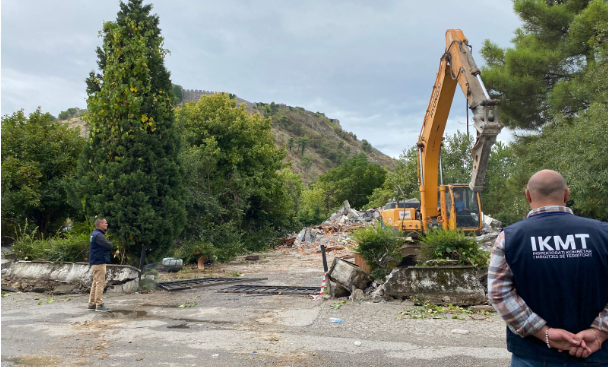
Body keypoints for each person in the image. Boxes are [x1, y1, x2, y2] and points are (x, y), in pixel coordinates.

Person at [488, 170, 608, 366]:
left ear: (527, 195)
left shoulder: (509, 238)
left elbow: (498, 294)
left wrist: (544, 333)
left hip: (533, 356)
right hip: (598, 355)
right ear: (566, 194)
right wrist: (600, 332)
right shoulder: (604, 233)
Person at [88, 217, 114, 312]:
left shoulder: (94, 234)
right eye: (105, 223)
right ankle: (99, 304)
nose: (106, 224)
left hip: (95, 262)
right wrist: (110, 245)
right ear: (100, 225)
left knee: (95, 283)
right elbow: (109, 245)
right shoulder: (99, 235)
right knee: (100, 283)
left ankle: (91, 304)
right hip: (99, 262)